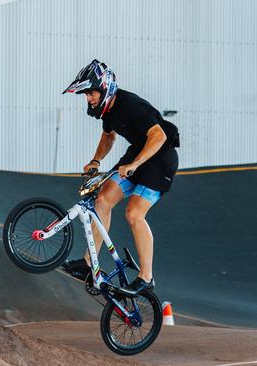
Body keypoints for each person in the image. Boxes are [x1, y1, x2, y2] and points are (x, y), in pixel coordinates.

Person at [61, 59, 180, 295]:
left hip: (159, 160)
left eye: (91, 93)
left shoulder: (132, 105)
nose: (89, 98)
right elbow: (108, 137)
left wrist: (135, 164)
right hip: (137, 155)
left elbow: (159, 136)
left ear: (105, 88)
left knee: (134, 214)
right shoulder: (109, 111)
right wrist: (96, 160)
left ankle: (146, 277)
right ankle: (88, 264)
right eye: (86, 95)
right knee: (102, 201)